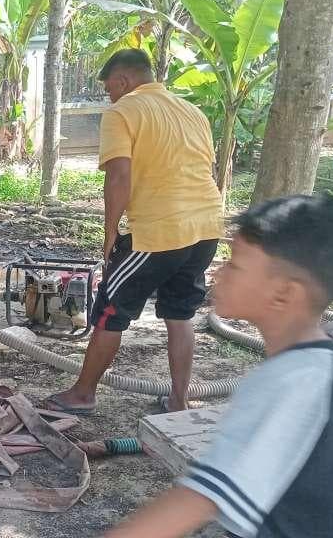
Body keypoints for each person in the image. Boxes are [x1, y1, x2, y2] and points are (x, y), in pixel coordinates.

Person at [102, 194, 333, 538]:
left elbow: (197, 500)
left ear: (283, 294)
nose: (219, 272)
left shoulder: (289, 380)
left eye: (235, 265)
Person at [44, 49, 224, 415]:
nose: (109, 95)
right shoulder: (192, 111)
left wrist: (110, 231)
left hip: (158, 231)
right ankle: (178, 399)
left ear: (124, 81)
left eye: (110, 87)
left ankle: (82, 394)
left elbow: (119, 175)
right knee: (180, 313)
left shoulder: (123, 111)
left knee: (111, 310)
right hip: (205, 227)